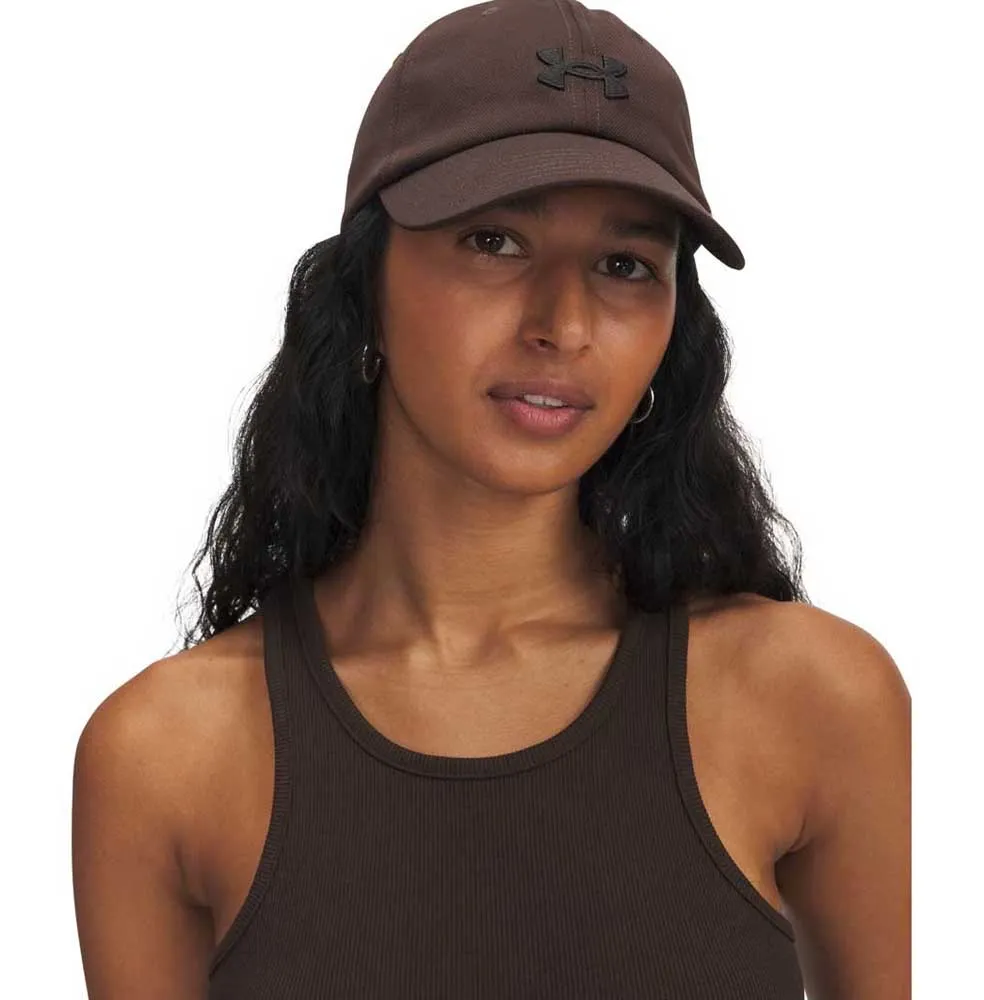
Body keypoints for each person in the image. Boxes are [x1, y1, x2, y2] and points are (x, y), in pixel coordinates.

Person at [71, 1, 911, 997]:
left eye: (624, 265)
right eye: (495, 241)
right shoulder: (165, 756)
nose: (565, 323)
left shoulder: (813, 701)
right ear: (364, 286)